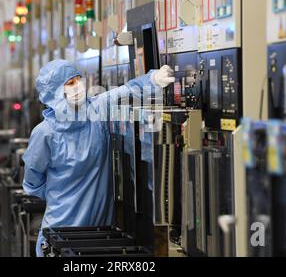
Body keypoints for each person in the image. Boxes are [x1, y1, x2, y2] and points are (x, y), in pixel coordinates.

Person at [22, 59, 175, 257]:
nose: (78, 86)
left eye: (78, 79)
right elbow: (32, 184)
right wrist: (63, 195)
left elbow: (126, 91)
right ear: (54, 92)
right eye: (69, 83)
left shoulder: (96, 112)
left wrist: (154, 79)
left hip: (99, 234)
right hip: (60, 232)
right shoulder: (45, 133)